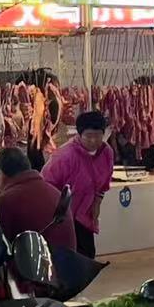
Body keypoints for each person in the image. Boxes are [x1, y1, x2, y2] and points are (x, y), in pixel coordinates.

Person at [41, 110, 114, 256]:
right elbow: (46, 185)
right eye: (88, 136)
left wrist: (97, 202)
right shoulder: (64, 156)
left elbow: (105, 180)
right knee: (69, 256)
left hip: (85, 214)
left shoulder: (106, 153)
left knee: (87, 255)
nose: (93, 141)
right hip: (64, 216)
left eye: (98, 136)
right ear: (79, 135)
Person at [0, 145, 77, 257]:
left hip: (41, 270)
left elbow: (0, 247)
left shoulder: (5, 201)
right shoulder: (53, 191)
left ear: (1, 175)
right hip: (69, 265)